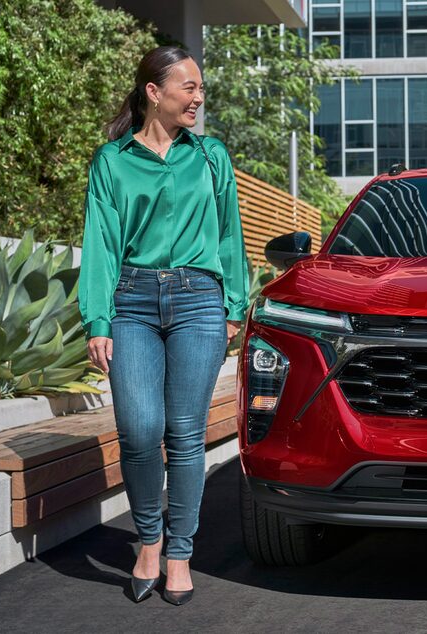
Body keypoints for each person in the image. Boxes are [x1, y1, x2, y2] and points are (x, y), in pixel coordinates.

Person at [79, 46, 250, 605]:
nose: (199, 98)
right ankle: (146, 540)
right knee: (138, 429)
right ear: (155, 92)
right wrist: (97, 319)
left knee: (183, 432)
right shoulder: (112, 160)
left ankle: (179, 551)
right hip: (131, 301)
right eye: (190, 87)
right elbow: (101, 243)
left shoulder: (211, 156)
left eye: (200, 89)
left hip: (200, 302)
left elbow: (230, 234)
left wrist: (234, 306)